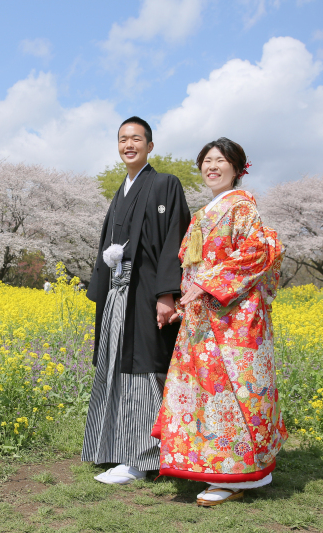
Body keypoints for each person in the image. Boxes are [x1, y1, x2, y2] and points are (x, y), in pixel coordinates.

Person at [151, 138, 287, 506]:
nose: (212, 167)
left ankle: (234, 473)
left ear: (238, 168)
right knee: (205, 394)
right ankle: (215, 465)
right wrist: (186, 301)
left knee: (232, 393)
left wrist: (208, 285)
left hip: (232, 322)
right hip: (204, 318)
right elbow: (193, 265)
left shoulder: (241, 207)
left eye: (221, 161)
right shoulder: (204, 211)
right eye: (207, 161)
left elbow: (258, 252)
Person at [83, 116, 190, 485]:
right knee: (115, 364)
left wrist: (167, 294)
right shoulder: (120, 190)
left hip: (145, 294)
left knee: (146, 366)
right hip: (118, 294)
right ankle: (114, 448)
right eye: (123, 139)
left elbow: (174, 242)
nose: (129, 145)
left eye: (136, 139)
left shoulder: (164, 184)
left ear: (150, 146)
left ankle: (143, 458)